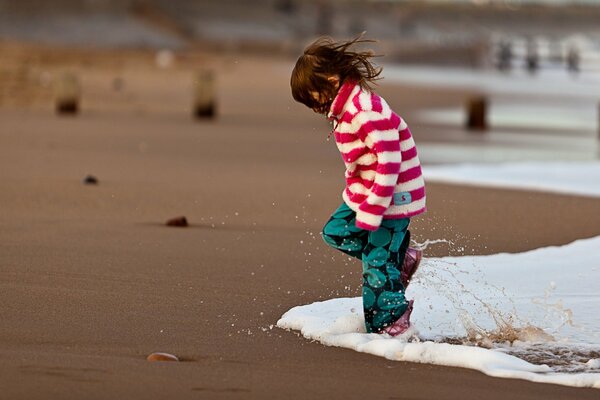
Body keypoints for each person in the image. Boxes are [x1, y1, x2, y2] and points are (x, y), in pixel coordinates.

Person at [290, 37, 426, 336]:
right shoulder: (346, 108)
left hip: (391, 198)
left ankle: (392, 321)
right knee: (336, 232)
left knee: (376, 268)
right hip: (366, 194)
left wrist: (374, 209)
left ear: (330, 79)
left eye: (312, 96)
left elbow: (390, 161)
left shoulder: (366, 111)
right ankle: (400, 258)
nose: (313, 105)